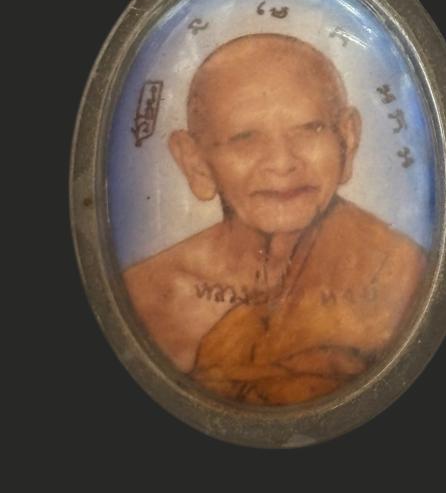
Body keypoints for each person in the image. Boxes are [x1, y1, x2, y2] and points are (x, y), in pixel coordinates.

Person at [123, 33, 426, 405]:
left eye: (311, 129)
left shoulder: (398, 272)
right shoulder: (147, 295)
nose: (282, 164)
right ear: (196, 162)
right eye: (245, 138)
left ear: (347, 140)